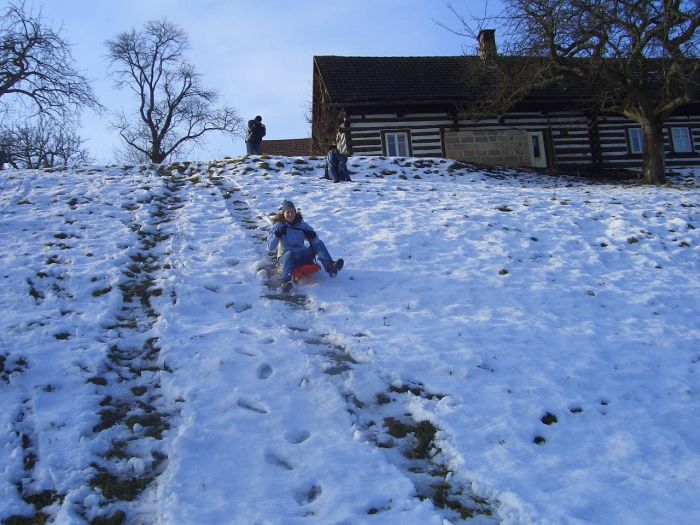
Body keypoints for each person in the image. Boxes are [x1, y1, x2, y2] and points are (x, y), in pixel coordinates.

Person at [267, 199, 344, 292]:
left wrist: (312, 235)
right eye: (288, 212)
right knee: (289, 254)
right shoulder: (278, 226)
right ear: (283, 213)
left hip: (301, 256)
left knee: (318, 243)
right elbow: (270, 247)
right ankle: (285, 282)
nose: (290, 214)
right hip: (285, 257)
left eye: (292, 212)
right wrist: (277, 234)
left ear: (295, 212)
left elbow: (315, 240)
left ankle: (330, 266)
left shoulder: (301, 225)